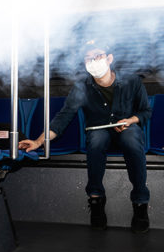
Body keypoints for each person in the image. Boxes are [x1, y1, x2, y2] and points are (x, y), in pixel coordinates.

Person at [19, 39, 152, 231]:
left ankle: (140, 201)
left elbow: (145, 111)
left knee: (131, 138)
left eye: (97, 56)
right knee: (97, 141)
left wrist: (130, 120)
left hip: (126, 129)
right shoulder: (82, 87)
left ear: (109, 58)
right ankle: (96, 199)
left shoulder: (132, 81)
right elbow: (64, 116)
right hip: (98, 133)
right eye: (88, 58)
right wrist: (38, 142)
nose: (92, 61)